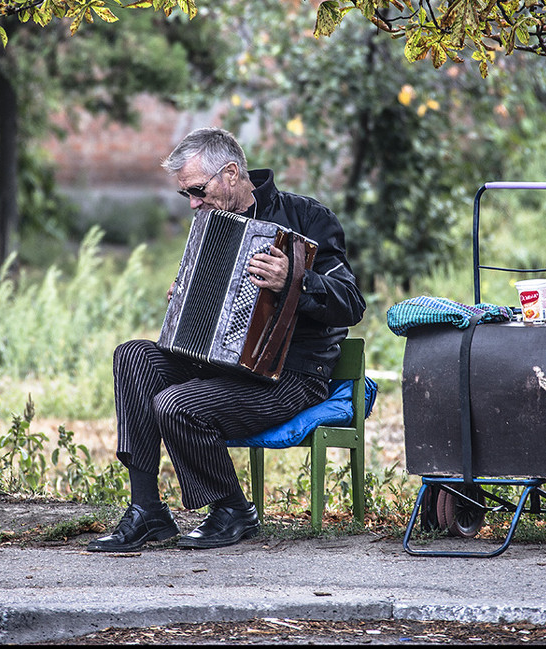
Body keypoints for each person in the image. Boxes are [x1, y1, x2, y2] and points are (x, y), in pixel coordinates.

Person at [88, 127, 366, 551]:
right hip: (222, 365)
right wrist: (184, 296)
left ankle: (233, 509)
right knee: (133, 357)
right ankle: (147, 512)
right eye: (187, 195)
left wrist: (295, 279)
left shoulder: (307, 219)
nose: (194, 203)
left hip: (290, 376)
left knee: (175, 403)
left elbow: (352, 303)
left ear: (231, 173)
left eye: (198, 190)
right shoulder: (208, 226)